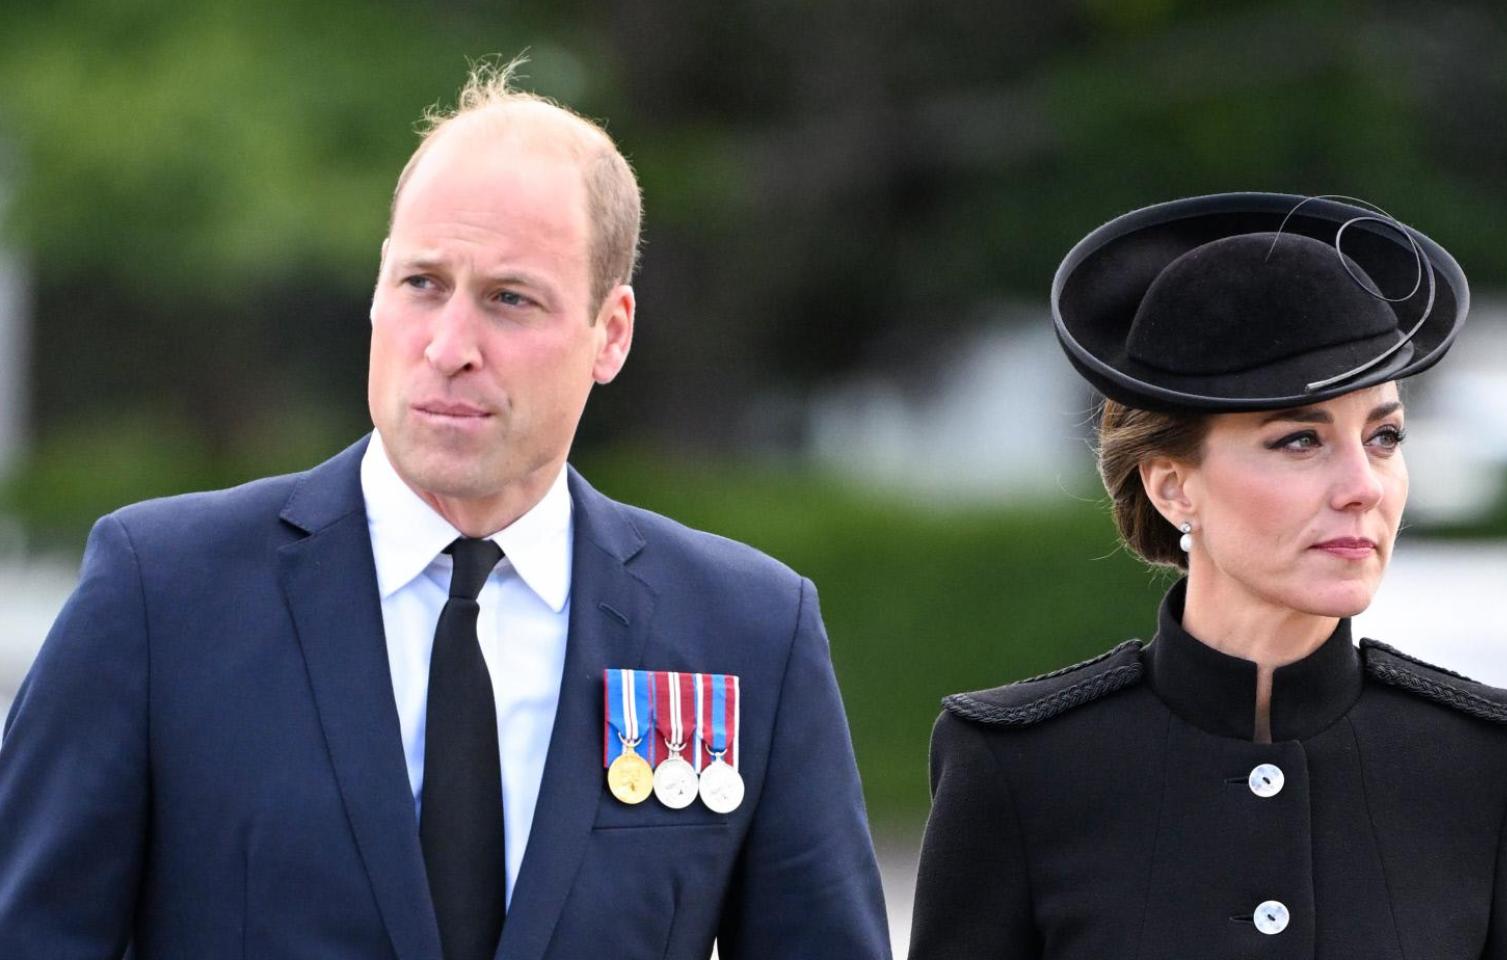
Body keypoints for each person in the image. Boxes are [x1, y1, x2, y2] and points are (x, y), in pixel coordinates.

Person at [0, 58, 890, 960]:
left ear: (610, 334)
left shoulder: (746, 632)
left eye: (510, 299)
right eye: (422, 284)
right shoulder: (164, 595)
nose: (450, 345)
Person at [907, 193, 1507, 959]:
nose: (1364, 485)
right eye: (1298, 441)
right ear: (1171, 486)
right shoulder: (1019, 764)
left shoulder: (1491, 761)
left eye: (1384, 435)